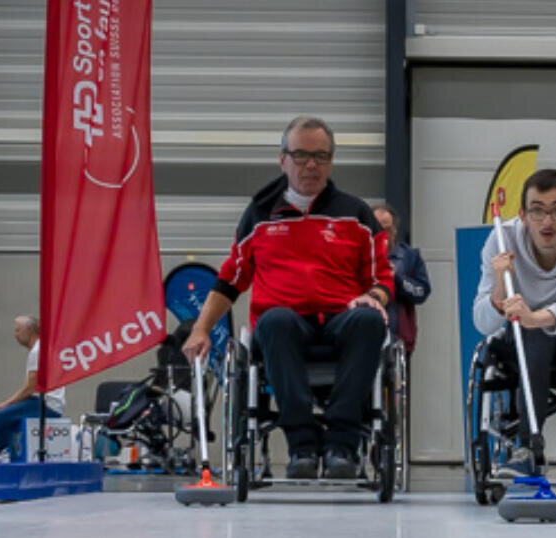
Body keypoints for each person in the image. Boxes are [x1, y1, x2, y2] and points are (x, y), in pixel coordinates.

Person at [183, 116, 393, 480]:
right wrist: (200, 329)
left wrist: (373, 296)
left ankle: (342, 445)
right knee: (275, 320)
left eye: (321, 156)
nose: (311, 164)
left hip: (342, 320)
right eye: (300, 155)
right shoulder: (260, 215)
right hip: (284, 326)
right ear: (283, 159)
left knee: (371, 320)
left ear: (331, 161)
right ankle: (303, 446)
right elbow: (231, 280)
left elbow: (382, 278)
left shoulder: (357, 214)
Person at [470, 168, 556, 482]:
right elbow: (481, 321)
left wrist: (539, 317)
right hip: (523, 342)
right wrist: (498, 289)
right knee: (527, 328)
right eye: (537, 211)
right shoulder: (501, 240)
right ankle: (526, 447)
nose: (547, 222)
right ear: (522, 215)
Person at [0, 315, 63, 462]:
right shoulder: (41, 349)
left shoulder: (37, 351)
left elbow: (30, 388)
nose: (15, 335)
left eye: (18, 330)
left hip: (47, 405)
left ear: (29, 330)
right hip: (43, 402)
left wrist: (7, 403)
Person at [371, 202, 430, 357]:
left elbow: (421, 292)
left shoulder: (409, 256)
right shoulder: (357, 254)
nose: (382, 235)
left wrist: (397, 279)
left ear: (395, 231)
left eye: (387, 230)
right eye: (376, 229)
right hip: (365, 333)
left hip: (398, 337)